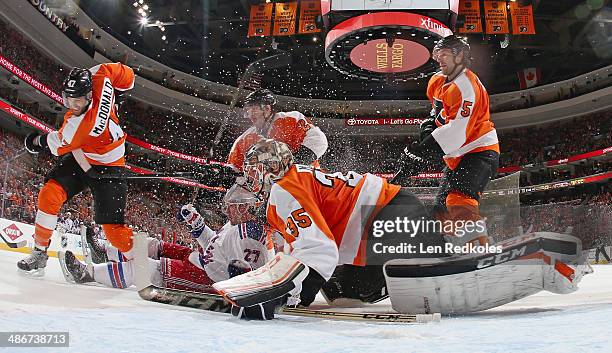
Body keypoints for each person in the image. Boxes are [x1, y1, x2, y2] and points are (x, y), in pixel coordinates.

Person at [213, 139, 447, 319]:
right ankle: (420, 266)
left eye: (254, 171)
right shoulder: (295, 179)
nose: (251, 180)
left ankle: (435, 267)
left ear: (272, 168)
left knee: (437, 268)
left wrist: (283, 296)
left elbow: (318, 250)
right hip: (392, 211)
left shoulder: (284, 190)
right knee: (344, 293)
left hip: (388, 217)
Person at [18, 63, 135, 274]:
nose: (72, 104)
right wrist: (120, 91)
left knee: (114, 233)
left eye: (78, 100)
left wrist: (34, 141)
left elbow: (55, 143)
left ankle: (142, 261)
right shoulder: (100, 75)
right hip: (85, 156)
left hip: (109, 168)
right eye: (69, 99)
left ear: (90, 95)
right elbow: (128, 74)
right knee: (50, 193)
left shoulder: (79, 127)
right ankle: (39, 251)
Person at [60, 182, 269, 292]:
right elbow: (216, 247)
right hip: (204, 262)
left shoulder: (249, 234)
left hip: (209, 278)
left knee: (144, 268)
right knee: (154, 246)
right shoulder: (236, 225)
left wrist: (237, 276)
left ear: (244, 207)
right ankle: (105, 251)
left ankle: (87, 273)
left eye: (231, 206)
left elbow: (242, 278)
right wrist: (197, 223)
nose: (226, 210)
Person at [394, 35, 499, 246]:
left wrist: (421, 152)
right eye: (437, 54)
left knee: (458, 200)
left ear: (460, 56)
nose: (439, 59)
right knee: (440, 211)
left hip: (478, 151)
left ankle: (480, 248)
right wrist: (429, 126)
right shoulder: (437, 81)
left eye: (444, 54)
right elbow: (438, 113)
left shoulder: (467, 87)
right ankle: (444, 251)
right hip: (457, 157)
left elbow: (457, 132)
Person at [227, 88, 328, 172]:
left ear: (267, 109)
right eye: (248, 110)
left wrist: (294, 164)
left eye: (254, 109)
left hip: (304, 180)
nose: (250, 114)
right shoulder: (244, 139)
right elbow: (235, 167)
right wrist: (226, 173)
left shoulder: (290, 119)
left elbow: (318, 141)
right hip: (271, 191)